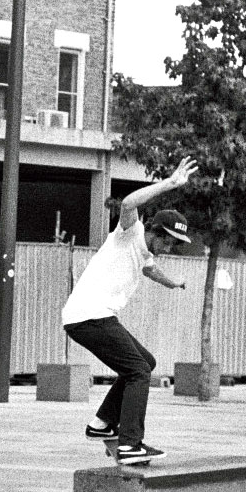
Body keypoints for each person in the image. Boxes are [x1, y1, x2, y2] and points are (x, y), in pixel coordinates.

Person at [61, 158, 199, 464]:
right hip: (89, 316)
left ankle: (101, 424)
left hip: (94, 317)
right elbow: (127, 202)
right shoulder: (130, 233)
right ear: (155, 231)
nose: (169, 248)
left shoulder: (145, 251)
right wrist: (170, 182)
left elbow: (150, 270)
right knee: (138, 371)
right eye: (168, 241)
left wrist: (174, 283)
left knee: (144, 362)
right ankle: (129, 444)